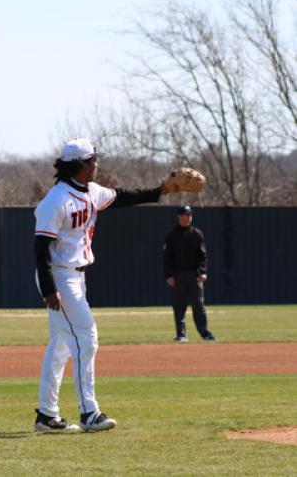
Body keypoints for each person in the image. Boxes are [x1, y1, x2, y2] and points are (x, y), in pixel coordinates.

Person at [33, 137, 172, 432]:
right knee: (87, 337)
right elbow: (40, 248)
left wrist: (159, 191)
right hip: (59, 274)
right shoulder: (56, 200)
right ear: (81, 165)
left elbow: (122, 197)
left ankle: (46, 415)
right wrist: (48, 288)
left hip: (76, 276)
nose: (97, 164)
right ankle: (89, 413)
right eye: (93, 160)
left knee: (60, 345)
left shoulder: (91, 191)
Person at [163, 205, 217, 343]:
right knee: (179, 306)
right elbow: (167, 257)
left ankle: (205, 333)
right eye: (186, 215)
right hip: (178, 275)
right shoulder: (172, 235)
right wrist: (168, 275)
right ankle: (181, 334)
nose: (189, 217)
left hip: (195, 275)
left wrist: (203, 272)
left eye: (190, 215)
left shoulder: (197, 234)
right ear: (179, 216)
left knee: (198, 305)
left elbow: (203, 255)